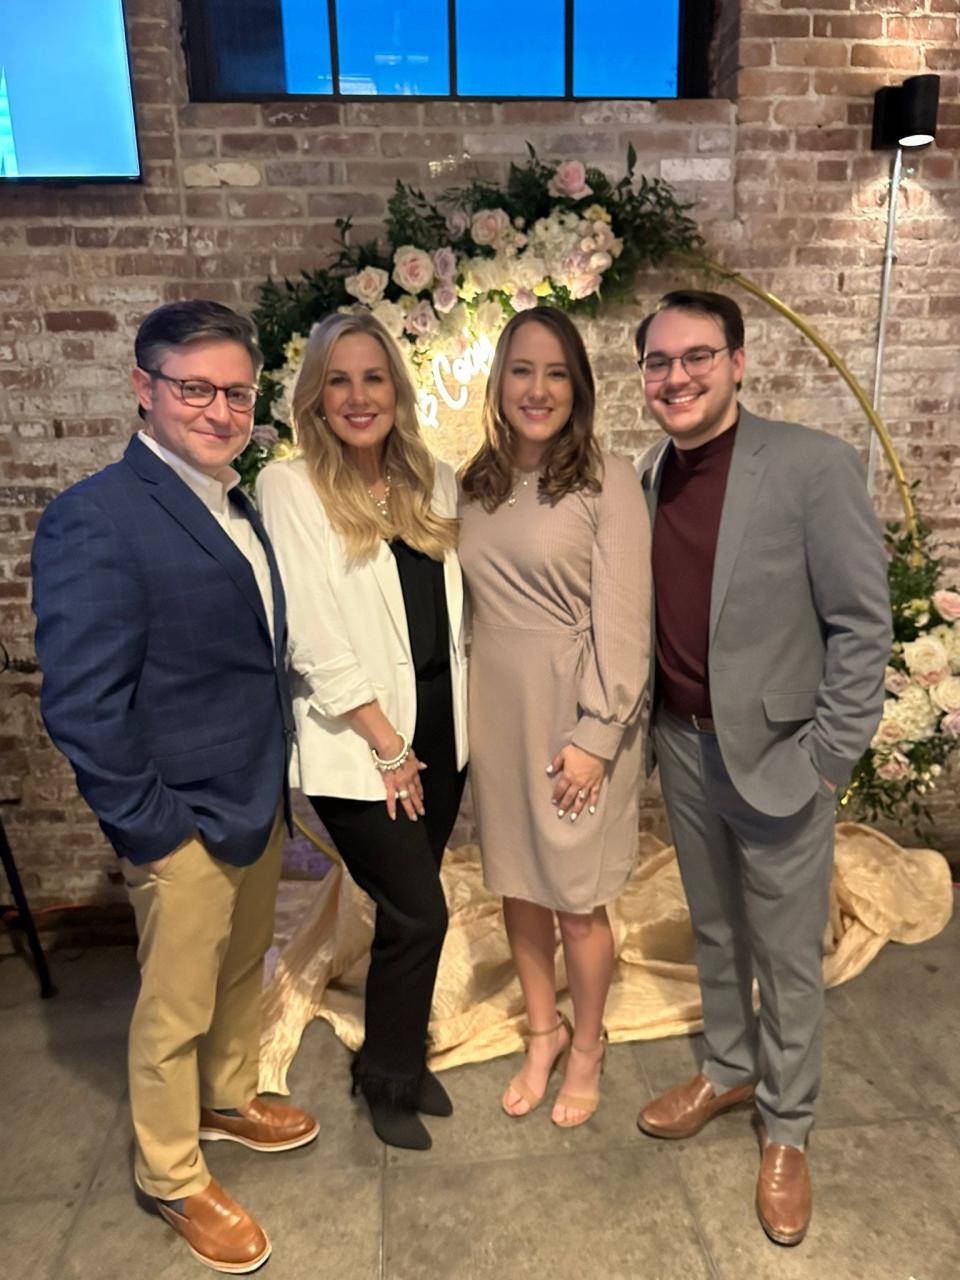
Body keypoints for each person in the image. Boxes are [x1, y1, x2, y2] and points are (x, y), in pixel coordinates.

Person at [31, 300, 318, 1275]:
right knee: (174, 1005)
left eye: (236, 390)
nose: (220, 407)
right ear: (143, 388)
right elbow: (80, 704)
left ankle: (228, 1095)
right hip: (180, 819)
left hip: (253, 794)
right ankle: (170, 1169)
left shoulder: (235, 503)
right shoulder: (96, 517)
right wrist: (155, 832)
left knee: (240, 974)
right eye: (195, 387)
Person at [633, 289, 891, 1245]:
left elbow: (863, 624)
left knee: (787, 956)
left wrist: (829, 761)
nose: (678, 377)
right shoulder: (651, 473)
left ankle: (787, 1126)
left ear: (740, 362)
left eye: (697, 356)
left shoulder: (812, 467)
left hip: (785, 758)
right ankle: (730, 1067)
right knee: (713, 926)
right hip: (685, 747)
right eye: (659, 363)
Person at [256, 310, 468, 1152]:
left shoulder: (434, 481)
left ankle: (400, 1057)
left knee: (403, 915)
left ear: (396, 389)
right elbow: (311, 634)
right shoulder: (291, 485)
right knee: (420, 915)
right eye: (337, 380)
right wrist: (388, 745)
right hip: (366, 749)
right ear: (314, 393)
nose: (357, 396)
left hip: (444, 738)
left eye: (373, 378)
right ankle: (385, 1077)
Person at [458, 307, 650, 1128]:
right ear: (499, 383)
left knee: (575, 898)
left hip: (576, 714)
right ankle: (543, 1031)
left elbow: (628, 623)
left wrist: (597, 738)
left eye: (557, 373)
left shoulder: (609, 480)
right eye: (522, 371)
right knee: (518, 887)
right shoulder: (475, 483)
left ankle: (587, 1045)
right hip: (497, 710)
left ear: (580, 387)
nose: (538, 390)